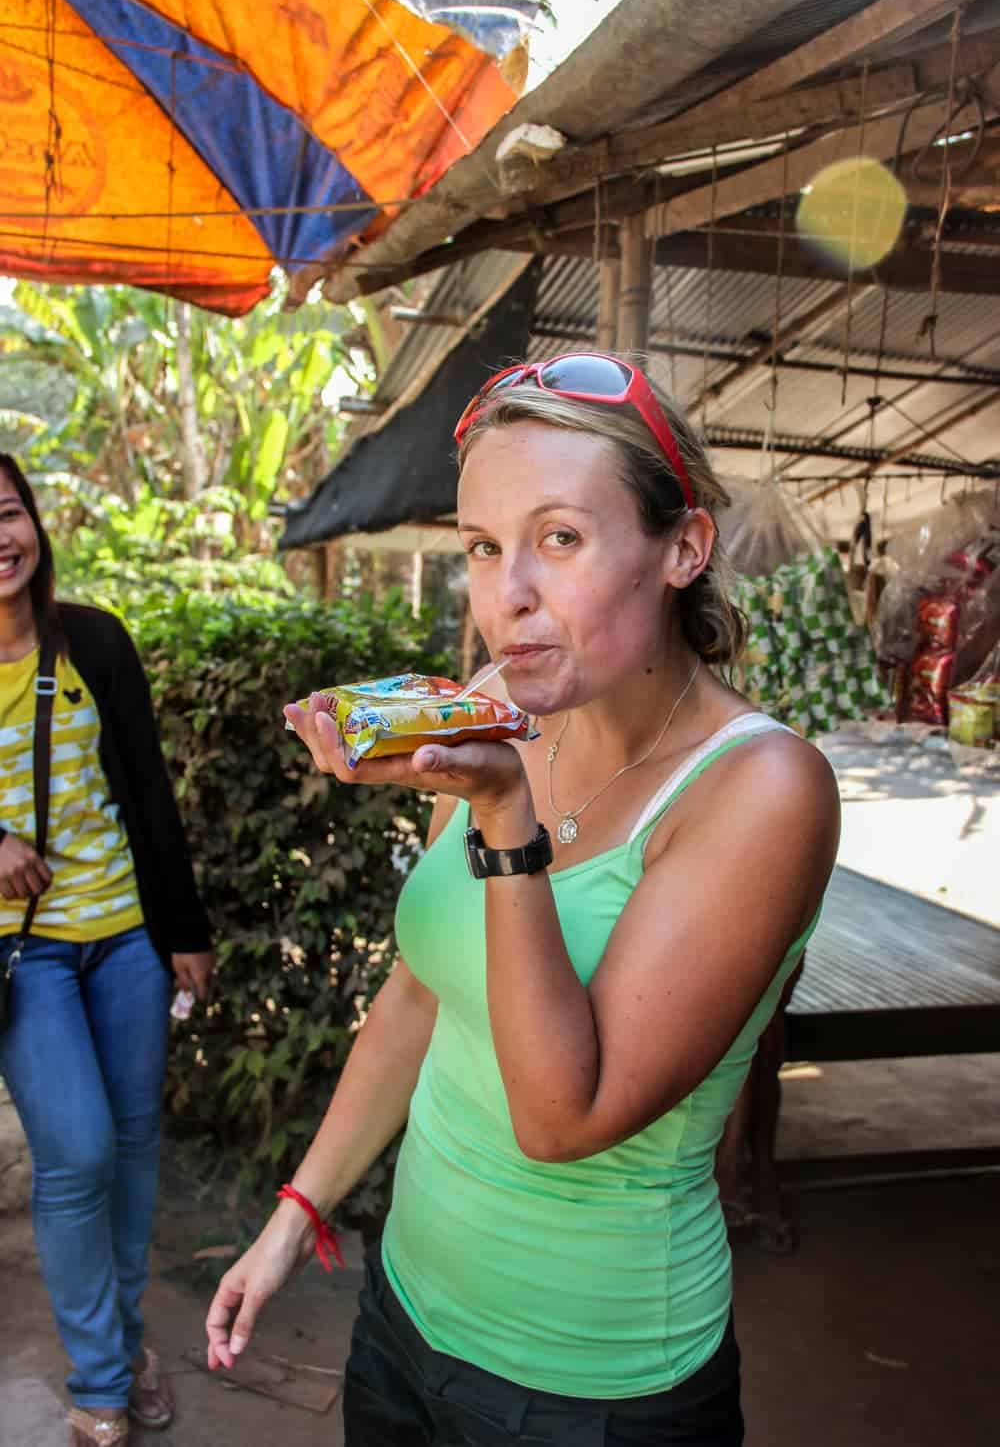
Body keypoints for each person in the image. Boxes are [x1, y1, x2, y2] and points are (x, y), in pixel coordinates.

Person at [205, 354, 840, 1445]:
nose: (508, 596)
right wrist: (294, 1214)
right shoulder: (496, 704)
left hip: (594, 1385)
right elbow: (420, 996)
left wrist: (507, 819)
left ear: (682, 548)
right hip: (403, 1317)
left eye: (560, 538)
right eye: (484, 548)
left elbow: (563, 1117)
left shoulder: (762, 790)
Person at [0, 455, 214, 1447]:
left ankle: (123, 1354)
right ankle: (97, 1375)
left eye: (6, 514)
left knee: (131, 1152)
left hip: (123, 938)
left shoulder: (92, 641)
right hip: (24, 958)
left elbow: (149, 794)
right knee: (77, 1154)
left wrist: (184, 933)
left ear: (33, 522)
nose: (1, 540)